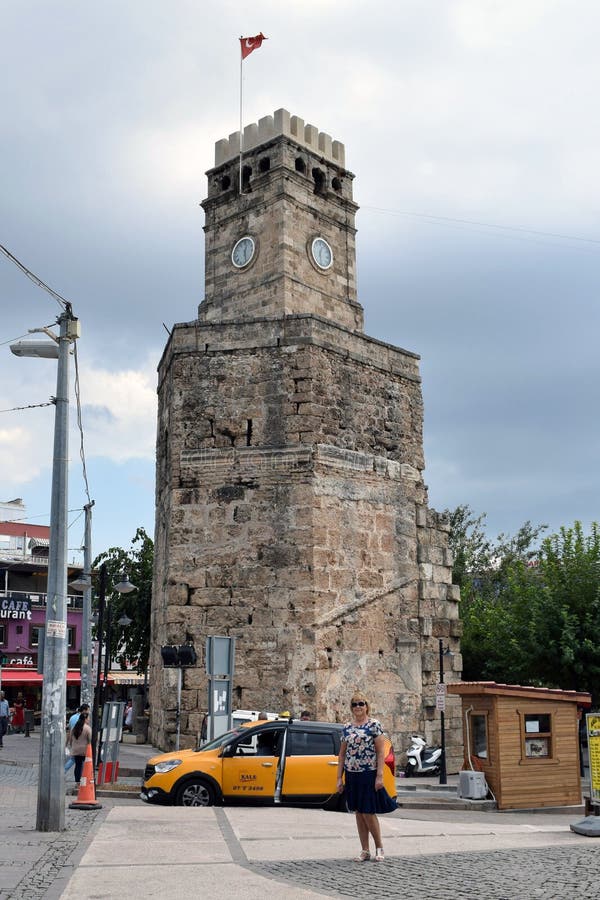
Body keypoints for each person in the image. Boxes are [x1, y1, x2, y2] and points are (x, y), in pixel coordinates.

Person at [336, 691, 397, 862]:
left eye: (361, 703)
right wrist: (339, 778)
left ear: (366, 706)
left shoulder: (373, 725)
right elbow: (342, 754)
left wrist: (379, 776)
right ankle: (365, 850)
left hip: (368, 773)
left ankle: (379, 847)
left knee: (368, 811)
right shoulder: (347, 727)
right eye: (354, 704)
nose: (358, 707)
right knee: (358, 812)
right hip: (352, 774)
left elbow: (380, 752)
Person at [67, 711, 92, 787]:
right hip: (85, 750)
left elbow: (71, 739)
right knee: (85, 765)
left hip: (76, 750)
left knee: (78, 765)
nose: (89, 720)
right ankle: (84, 780)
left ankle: (77, 781)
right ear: (85, 719)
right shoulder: (87, 728)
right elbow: (89, 740)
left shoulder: (75, 727)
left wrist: (72, 746)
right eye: (88, 718)